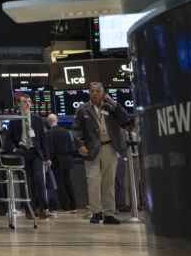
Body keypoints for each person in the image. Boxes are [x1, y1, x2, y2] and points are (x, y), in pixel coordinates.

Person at [73, 82, 130, 225]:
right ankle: (96, 212)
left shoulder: (110, 107)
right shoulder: (83, 109)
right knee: (93, 180)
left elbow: (125, 119)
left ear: (103, 93)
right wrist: (80, 145)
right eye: (92, 91)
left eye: (98, 91)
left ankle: (109, 213)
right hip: (91, 148)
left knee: (109, 182)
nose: (95, 93)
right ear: (89, 93)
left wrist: (113, 102)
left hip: (110, 147)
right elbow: (77, 129)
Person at [4, 93, 53, 219]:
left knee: (39, 179)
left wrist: (47, 157)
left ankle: (42, 208)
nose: (27, 104)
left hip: (35, 152)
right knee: (25, 181)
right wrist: (14, 150)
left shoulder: (37, 119)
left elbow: (43, 140)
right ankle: (29, 209)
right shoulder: (14, 120)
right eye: (24, 101)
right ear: (19, 103)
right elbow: (8, 139)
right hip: (21, 152)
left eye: (29, 101)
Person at [45, 114, 78, 212]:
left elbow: (49, 149)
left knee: (60, 184)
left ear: (48, 122)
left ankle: (65, 206)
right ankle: (73, 205)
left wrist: (49, 159)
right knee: (68, 183)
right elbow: (72, 147)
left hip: (57, 161)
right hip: (67, 160)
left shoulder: (49, 133)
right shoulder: (66, 132)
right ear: (57, 120)